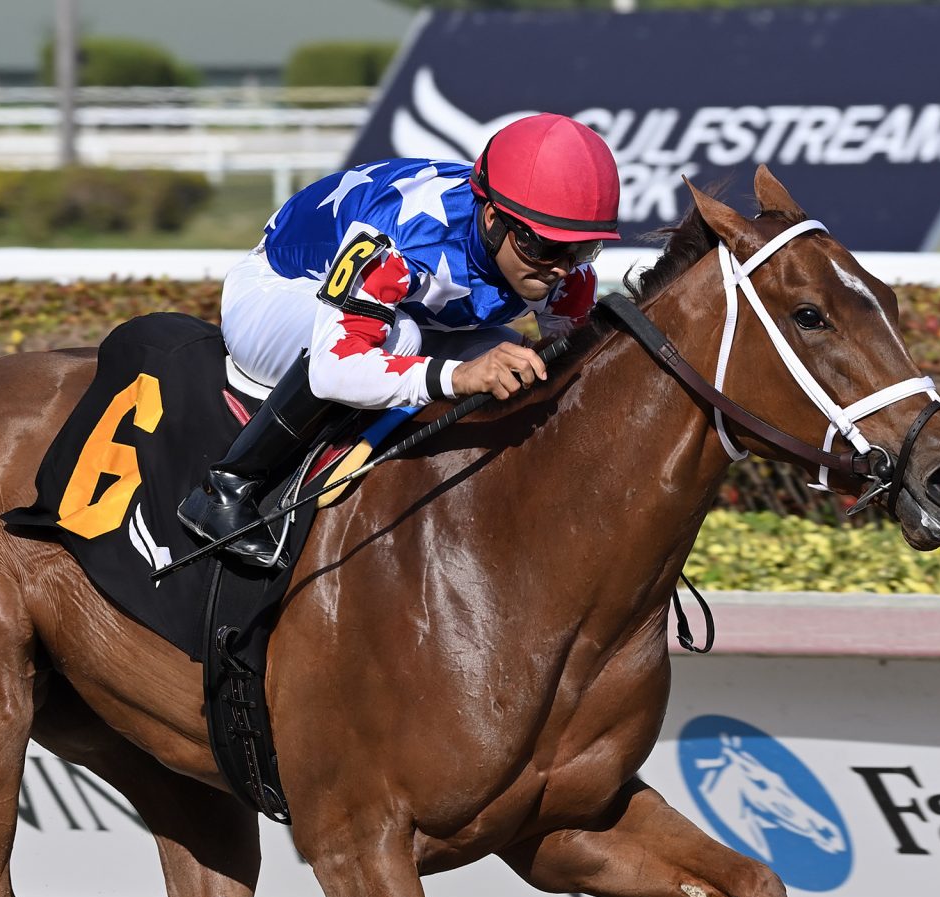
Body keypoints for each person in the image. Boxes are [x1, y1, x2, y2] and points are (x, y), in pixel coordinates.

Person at [177, 112, 621, 565]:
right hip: (277, 291)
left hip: (398, 307)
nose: (563, 269)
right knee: (403, 337)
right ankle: (227, 486)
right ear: (492, 219)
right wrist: (459, 376)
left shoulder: (565, 270)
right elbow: (336, 369)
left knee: (513, 357)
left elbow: (585, 383)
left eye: (582, 249)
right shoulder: (396, 239)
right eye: (543, 247)